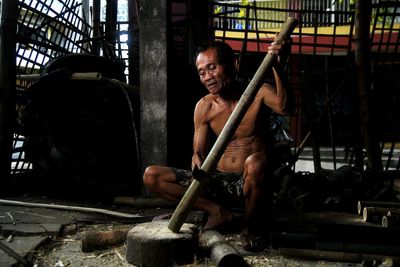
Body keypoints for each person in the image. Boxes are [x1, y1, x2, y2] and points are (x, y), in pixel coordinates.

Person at [143, 40, 291, 251]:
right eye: (202, 72)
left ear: (233, 64)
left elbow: (286, 108)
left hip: (252, 184)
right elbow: (198, 152)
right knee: (152, 175)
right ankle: (217, 211)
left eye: (212, 67)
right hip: (218, 182)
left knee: (256, 162)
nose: (207, 77)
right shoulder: (204, 106)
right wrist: (197, 161)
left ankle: (250, 226)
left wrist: (277, 66)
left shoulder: (258, 92)